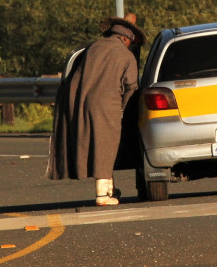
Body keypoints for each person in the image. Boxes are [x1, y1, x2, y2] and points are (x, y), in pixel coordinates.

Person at [47, 13, 146, 206]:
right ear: (126, 38)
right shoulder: (126, 56)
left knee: (96, 147)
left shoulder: (93, 48)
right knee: (106, 147)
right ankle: (102, 195)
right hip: (107, 107)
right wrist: (123, 109)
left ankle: (110, 189)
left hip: (81, 103)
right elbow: (131, 88)